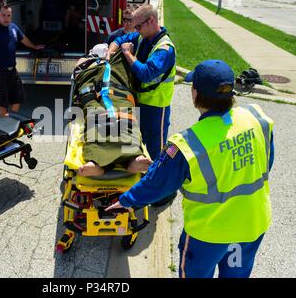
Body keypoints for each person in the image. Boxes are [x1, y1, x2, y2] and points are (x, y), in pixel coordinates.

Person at [106, 60, 275, 278]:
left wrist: (127, 200)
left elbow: (156, 184)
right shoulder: (256, 117)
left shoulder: (188, 144)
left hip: (209, 235)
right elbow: (266, 162)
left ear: (195, 94)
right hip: (251, 224)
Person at [106, 4, 176, 162]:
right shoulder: (142, 37)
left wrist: (127, 54)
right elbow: (120, 38)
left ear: (151, 21)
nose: (135, 30)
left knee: (154, 150)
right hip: (137, 101)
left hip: (155, 107)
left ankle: (158, 183)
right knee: (134, 143)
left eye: (138, 26)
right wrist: (111, 51)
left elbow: (146, 74)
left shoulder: (165, 49)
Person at [73, 50, 152, 177]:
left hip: (107, 94)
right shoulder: (101, 62)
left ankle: (97, 162)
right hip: (110, 94)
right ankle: (133, 158)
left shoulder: (93, 64)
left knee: (98, 117)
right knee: (123, 117)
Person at [0, 3, 44, 117]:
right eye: (3, 15)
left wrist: (34, 46)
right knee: (2, 103)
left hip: (12, 71)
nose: (6, 18)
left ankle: (12, 121)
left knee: (17, 98)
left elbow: (23, 38)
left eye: (8, 15)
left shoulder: (13, 27)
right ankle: (6, 125)